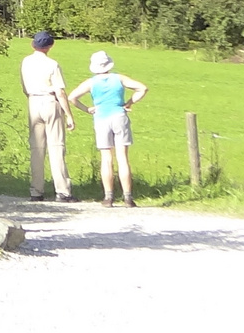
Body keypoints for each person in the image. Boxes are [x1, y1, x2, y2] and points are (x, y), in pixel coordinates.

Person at [70, 50, 148, 208]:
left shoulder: (91, 82)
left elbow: (72, 97)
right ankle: (128, 198)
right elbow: (142, 88)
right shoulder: (118, 78)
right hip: (119, 116)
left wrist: (87, 109)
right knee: (123, 159)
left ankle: (108, 197)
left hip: (101, 119)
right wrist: (129, 102)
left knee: (106, 159)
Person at [20, 31, 75, 202]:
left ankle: (36, 190)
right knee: (56, 146)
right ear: (50, 46)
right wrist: (68, 114)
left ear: (33, 45)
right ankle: (62, 190)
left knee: (37, 149)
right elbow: (60, 91)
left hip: (33, 102)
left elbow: (24, 87)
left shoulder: (26, 62)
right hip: (50, 101)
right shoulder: (52, 64)